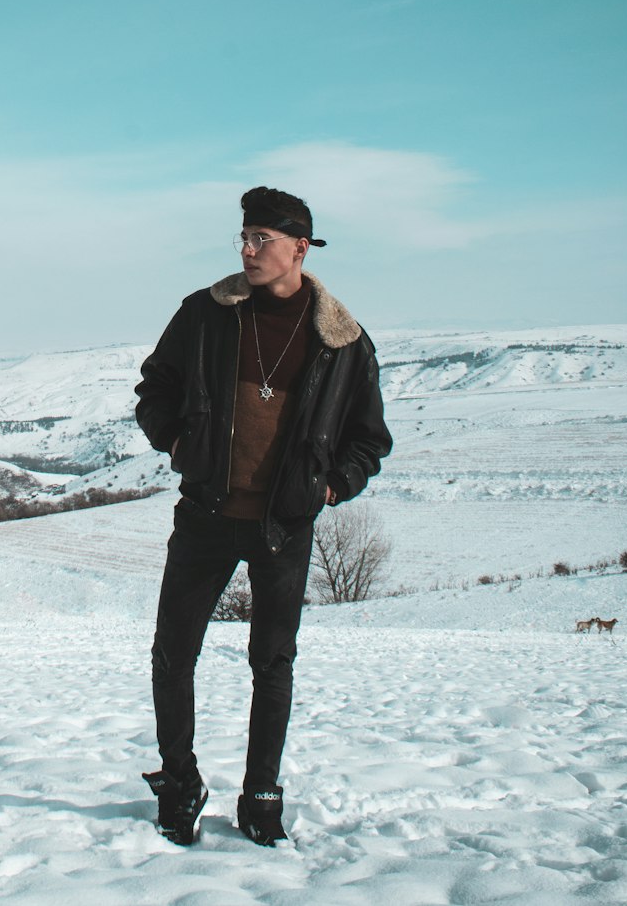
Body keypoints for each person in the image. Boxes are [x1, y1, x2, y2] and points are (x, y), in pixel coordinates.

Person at [135, 186, 392, 846]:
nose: (247, 250)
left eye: (262, 240)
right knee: (172, 653)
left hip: (284, 524)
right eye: (243, 238)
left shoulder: (343, 341)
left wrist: (330, 488)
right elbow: (154, 389)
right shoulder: (206, 315)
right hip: (206, 515)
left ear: (299, 248)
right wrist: (177, 441)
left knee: (271, 662)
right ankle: (181, 781)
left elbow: (369, 438)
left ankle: (262, 794)